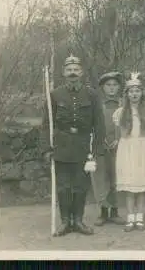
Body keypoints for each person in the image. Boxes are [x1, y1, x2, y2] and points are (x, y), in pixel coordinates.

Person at [39, 54, 106, 236]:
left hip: (84, 147)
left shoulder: (91, 94)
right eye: (69, 70)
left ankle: (78, 220)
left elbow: (99, 123)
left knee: (80, 185)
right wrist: (46, 148)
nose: (73, 73)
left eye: (76, 69)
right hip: (61, 146)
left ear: (82, 72)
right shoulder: (54, 95)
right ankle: (65, 222)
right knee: (63, 186)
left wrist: (97, 148)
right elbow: (46, 124)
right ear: (63, 73)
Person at [113, 72, 145, 232]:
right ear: (126, 94)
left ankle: (140, 217)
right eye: (131, 91)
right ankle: (130, 217)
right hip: (127, 150)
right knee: (130, 186)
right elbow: (118, 132)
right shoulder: (120, 113)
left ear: (142, 93)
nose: (134, 94)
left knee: (141, 186)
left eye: (137, 91)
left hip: (143, 150)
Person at [92, 71, 126, 227]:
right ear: (102, 88)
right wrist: (101, 139)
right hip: (101, 145)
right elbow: (92, 124)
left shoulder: (124, 104)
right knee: (101, 178)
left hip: (120, 146)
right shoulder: (97, 104)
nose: (111, 88)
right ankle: (103, 211)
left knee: (117, 178)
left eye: (114, 85)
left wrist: (119, 140)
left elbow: (128, 125)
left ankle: (115, 211)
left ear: (119, 87)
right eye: (108, 85)